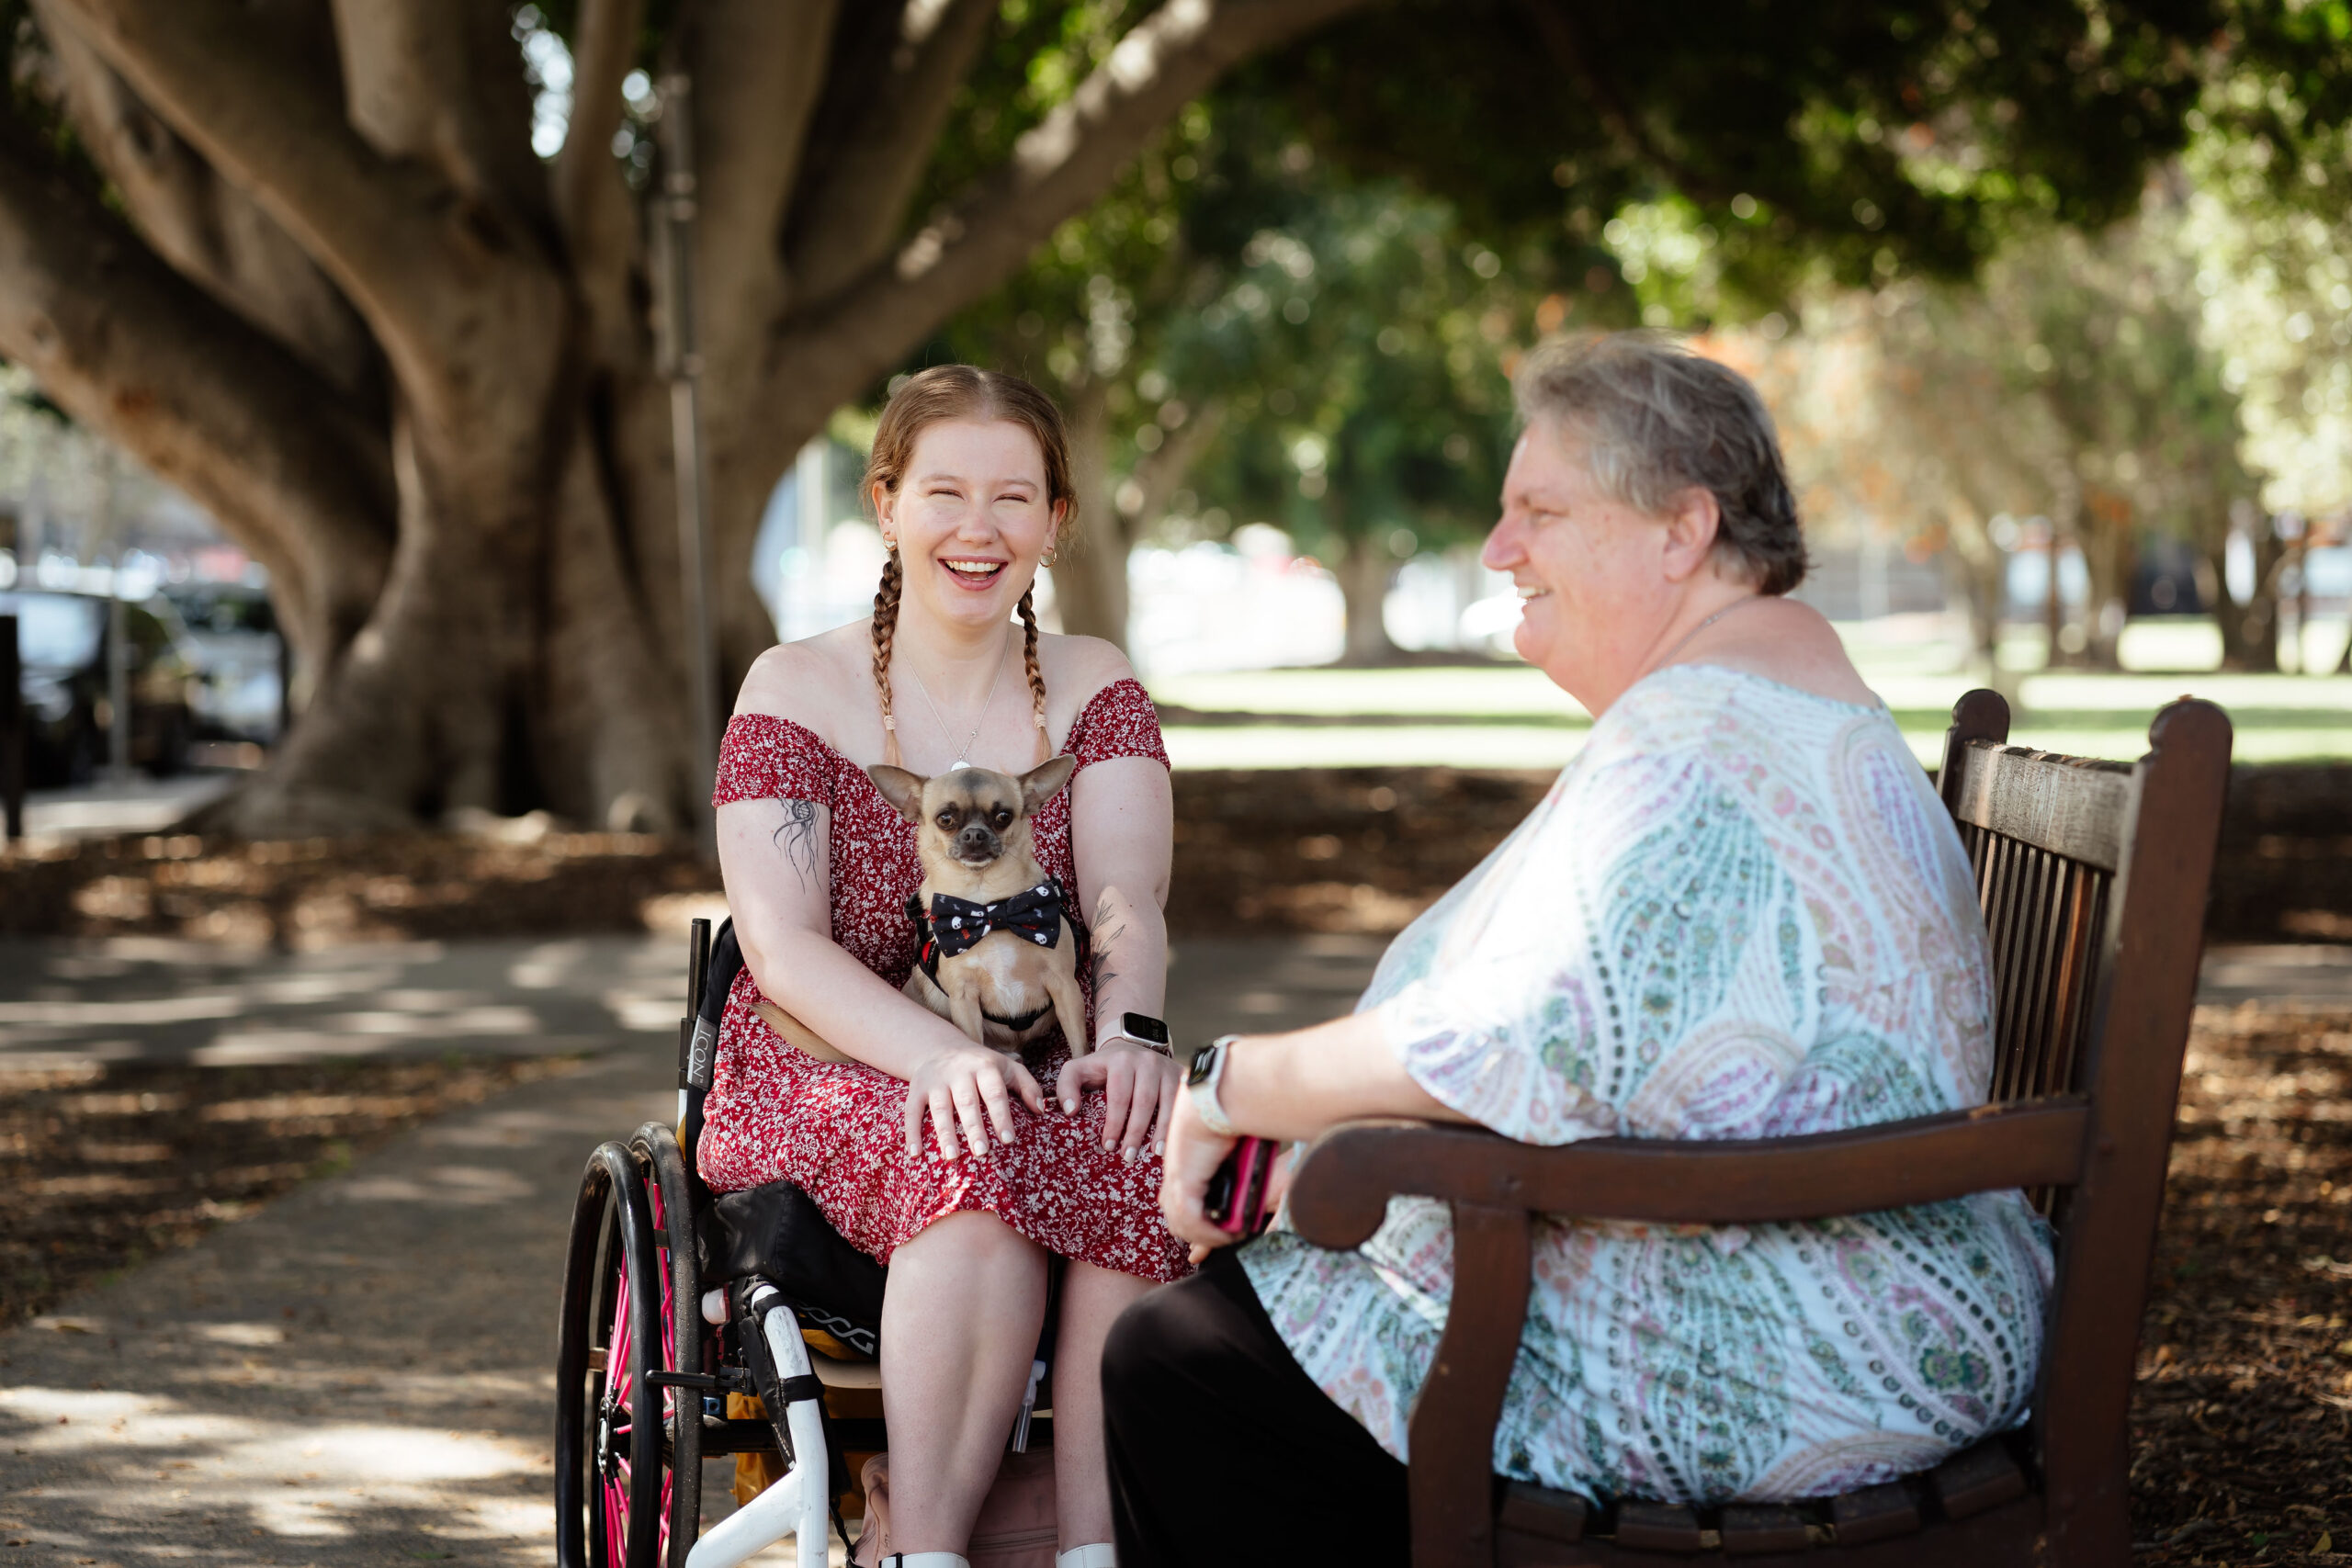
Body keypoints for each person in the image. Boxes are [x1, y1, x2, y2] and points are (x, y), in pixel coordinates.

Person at [1102, 332, 2055, 1566]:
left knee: (1181, 1365)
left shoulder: (1708, 737)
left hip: (1802, 1347)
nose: (1500, 551)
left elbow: (1518, 1044)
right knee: (1218, 1327)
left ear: (1682, 530)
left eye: (1539, 510)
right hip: (1829, 1270)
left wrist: (1233, 1084)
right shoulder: (1752, 695)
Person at [705, 366, 1185, 1568]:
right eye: (947, 492)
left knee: (1140, 1152)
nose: (980, 529)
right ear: (887, 503)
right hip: (832, 1059)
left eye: (1014, 497)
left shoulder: (1095, 687)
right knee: (967, 1157)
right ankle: (920, 1548)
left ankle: (1091, 1550)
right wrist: (931, 1055)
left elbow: (1128, 901)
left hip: (1041, 1047)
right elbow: (780, 947)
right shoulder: (794, 688)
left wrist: (1130, 1033)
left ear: (1055, 521)